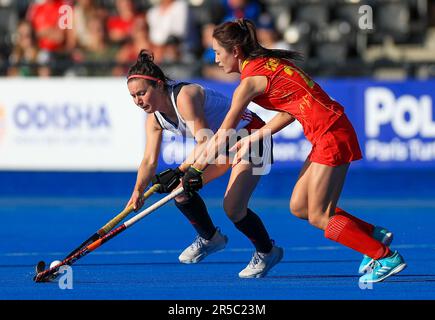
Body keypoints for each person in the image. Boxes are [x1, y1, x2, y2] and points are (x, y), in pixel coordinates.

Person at [181, 19, 407, 284]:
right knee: (300, 207)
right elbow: (292, 109)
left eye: (218, 52)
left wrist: (195, 170)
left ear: (236, 51)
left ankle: (385, 256)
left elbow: (223, 133)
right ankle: (373, 235)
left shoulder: (249, 83)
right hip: (328, 130)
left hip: (330, 132)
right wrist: (256, 135)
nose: (216, 59)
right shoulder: (268, 64)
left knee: (320, 215)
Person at [125, 50, 283, 278]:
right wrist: (138, 191)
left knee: (233, 207)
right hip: (220, 148)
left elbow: (205, 140)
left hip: (250, 137)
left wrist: (180, 169)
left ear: (159, 86)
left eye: (142, 93)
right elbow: (149, 160)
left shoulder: (184, 97)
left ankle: (268, 251)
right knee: (179, 192)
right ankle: (211, 238)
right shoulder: (154, 119)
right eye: (133, 96)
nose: (138, 101)